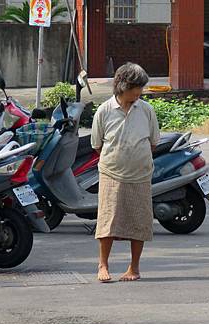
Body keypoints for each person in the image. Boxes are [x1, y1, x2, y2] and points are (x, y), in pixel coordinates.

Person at [90, 63, 161, 282]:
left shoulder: (146, 110)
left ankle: (134, 268)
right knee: (108, 221)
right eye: (135, 87)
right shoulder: (104, 110)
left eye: (141, 87)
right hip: (111, 173)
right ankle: (103, 265)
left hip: (140, 174)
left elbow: (153, 142)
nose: (139, 92)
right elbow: (97, 145)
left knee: (139, 222)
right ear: (122, 86)